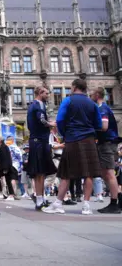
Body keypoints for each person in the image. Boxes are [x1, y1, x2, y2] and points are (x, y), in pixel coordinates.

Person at [43, 79, 102, 215]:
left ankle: (58, 204)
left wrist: (64, 134)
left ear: (74, 87)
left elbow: (60, 120)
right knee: (89, 173)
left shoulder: (68, 101)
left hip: (72, 138)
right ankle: (86, 205)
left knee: (66, 173)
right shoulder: (92, 104)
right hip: (89, 139)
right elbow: (98, 124)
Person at [90, 87, 121, 214]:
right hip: (105, 143)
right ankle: (118, 198)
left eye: (91, 93)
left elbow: (104, 126)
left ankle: (114, 203)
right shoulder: (100, 108)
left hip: (107, 144)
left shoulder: (102, 109)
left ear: (97, 95)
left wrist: (89, 128)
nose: (89, 95)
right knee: (105, 173)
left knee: (109, 173)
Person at [26, 86, 57, 210]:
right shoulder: (37, 105)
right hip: (38, 141)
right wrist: (52, 124)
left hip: (40, 140)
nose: (48, 95)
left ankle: (41, 198)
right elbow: (41, 120)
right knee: (39, 172)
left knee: (42, 172)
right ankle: (39, 199)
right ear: (40, 93)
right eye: (46, 93)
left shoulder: (38, 105)